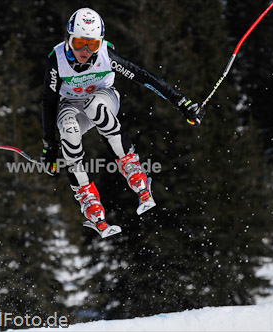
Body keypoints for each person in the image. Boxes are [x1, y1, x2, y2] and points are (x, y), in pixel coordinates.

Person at [40, 8, 205, 236]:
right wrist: (50, 146)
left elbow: (145, 78)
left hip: (104, 98)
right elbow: (48, 103)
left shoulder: (107, 56)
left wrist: (181, 103)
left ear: (100, 43)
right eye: (79, 43)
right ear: (68, 38)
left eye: (92, 45)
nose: (85, 51)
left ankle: (132, 167)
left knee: (95, 107)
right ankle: (87, 196)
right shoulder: (56, 60)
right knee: (68, 128)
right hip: (71, 105)